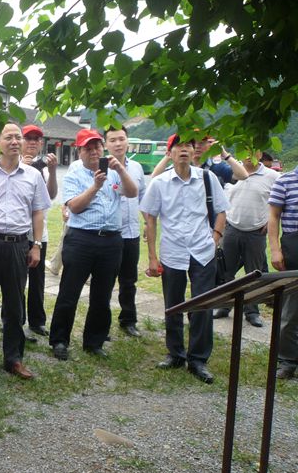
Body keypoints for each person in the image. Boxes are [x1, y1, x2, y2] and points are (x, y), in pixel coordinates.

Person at [140, 134, 228, 384]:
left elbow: (221, 211)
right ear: (169, 153)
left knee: (203, 304)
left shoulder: (208, 179)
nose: (184, 150)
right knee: (173, 305)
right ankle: (175, 353)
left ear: (194, 151)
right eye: (178, 146)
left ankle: (198, 359)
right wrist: (152, 258)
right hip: (173, 251)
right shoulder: (160, 183)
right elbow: (150, 219)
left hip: (203, 250)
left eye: (189, 146)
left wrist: (215, 238)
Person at [0, 123, 50, 380]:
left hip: (18, 246)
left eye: (18, 137)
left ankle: (13, 358)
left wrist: (36, 245)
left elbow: (38, 212)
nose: (15, 141)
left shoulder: (33, 176)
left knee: (15, 305)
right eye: (9, 137)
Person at [48, 129, 138, 361]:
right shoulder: (74, 173)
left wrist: (120, 170)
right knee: (69, 292)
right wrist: (95, 186)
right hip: (81, 239)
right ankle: (59, 340)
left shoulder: (114, 168)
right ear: (80, 151)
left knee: (102, 294)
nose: (94, 151)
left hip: (111, 240)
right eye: (88, 148)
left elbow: (132, 192)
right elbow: (74, 207)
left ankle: (94, 341)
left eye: (97, 146)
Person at [213, 151, 279, 325]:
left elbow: (280, 202)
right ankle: (224, 305)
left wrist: (269, 222)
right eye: (245, 151)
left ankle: (252, 311)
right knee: (226, 271)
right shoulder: (231, 173)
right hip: (232, 229)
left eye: (253, 151)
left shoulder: (272, 176)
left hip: (256, 232)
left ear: (260, 153)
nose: (249, 155)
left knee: (254, 273)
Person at [104, 126, 146, 337]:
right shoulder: (101, 168)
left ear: (128, 141)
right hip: (109, 234)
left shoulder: (137, 167)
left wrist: (148, 223)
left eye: (121, 139)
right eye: (113, 140)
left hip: (131, 233)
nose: (118, 143)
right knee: (105, 281)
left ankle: (128, 319)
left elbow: (143, 199)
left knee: (129, 281)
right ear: (106, 144)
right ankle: (102, 324)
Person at [20, 124, 58, 338]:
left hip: (39, 234)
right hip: (18, 233)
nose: (33, 142)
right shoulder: (15, 165)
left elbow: (51, 195)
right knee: (17, 282)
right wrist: (22, 166)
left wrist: (52, 171)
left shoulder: (42, 167)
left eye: (37, 139)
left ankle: (37, 321)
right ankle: (15, 320)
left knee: (37, 280)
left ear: (42, 143)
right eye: (29, 138)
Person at [268, 163, 298, 379]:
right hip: (293, 245)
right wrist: (276, 249)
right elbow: (274, 216)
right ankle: (287, 361)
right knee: (290, 309)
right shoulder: (285, 181)